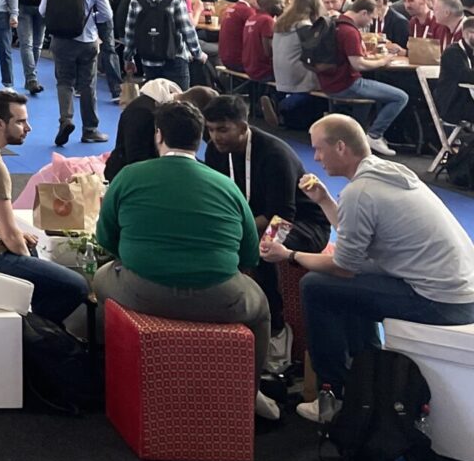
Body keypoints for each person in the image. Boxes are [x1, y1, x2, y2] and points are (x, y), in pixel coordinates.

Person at [262, 113, 474, 423]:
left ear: (341, 148)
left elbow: (343, 266)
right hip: (459, 291)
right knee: (348, 287)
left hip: (441, 303)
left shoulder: (359, 193)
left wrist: (289, 254)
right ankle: (367, 372)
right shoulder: (389, 172)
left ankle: (333, 394)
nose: (316, 158)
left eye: (319, 150)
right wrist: (323, 201)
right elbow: (353, 242)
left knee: (317, 287)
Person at [93, 99, 278, 417]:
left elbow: (106, 239)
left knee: (98, 280)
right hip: (220, 297)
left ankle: (105, 377)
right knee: (260, 310)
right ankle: (253, 392)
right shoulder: (227, 186)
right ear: (199, 138)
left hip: (143, 292)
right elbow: (249, 254)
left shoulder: (128, 176)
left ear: (158, 136)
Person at [202, 93, 330, 364]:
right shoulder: (215, 151)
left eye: (223, 129)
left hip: (304, 223)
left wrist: (241, 235)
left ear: (243, 126)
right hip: (251, 220)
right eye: (211, 129)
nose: (216, 137)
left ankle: (276, 331)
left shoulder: (274, 154)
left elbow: (282, 215)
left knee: (263, 251)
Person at [0, 90, 89, 323]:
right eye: (20, 122)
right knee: (76, 285)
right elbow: (9, 236)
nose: (28, 127)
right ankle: (32, 333)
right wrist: (29, 264)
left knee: (29, 246)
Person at [309, 0, 409, 157]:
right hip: (347, 83)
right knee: (401, 97)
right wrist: (383, 60)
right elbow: (358, 65)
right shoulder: (350, 31)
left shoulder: (336, 23)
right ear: (363, 12)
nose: (370, 22)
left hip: (329, 81)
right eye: (370, 17)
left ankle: (364, 134)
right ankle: (375, 135)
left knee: (373, 96)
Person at [40, 0, 110, 147]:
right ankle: (90, 129)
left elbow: (42, 10)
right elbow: (107, 13)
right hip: (87, 40)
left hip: (60, 40)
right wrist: (92, 21)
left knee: (64, 82)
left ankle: (66, 119)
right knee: (88, 84)